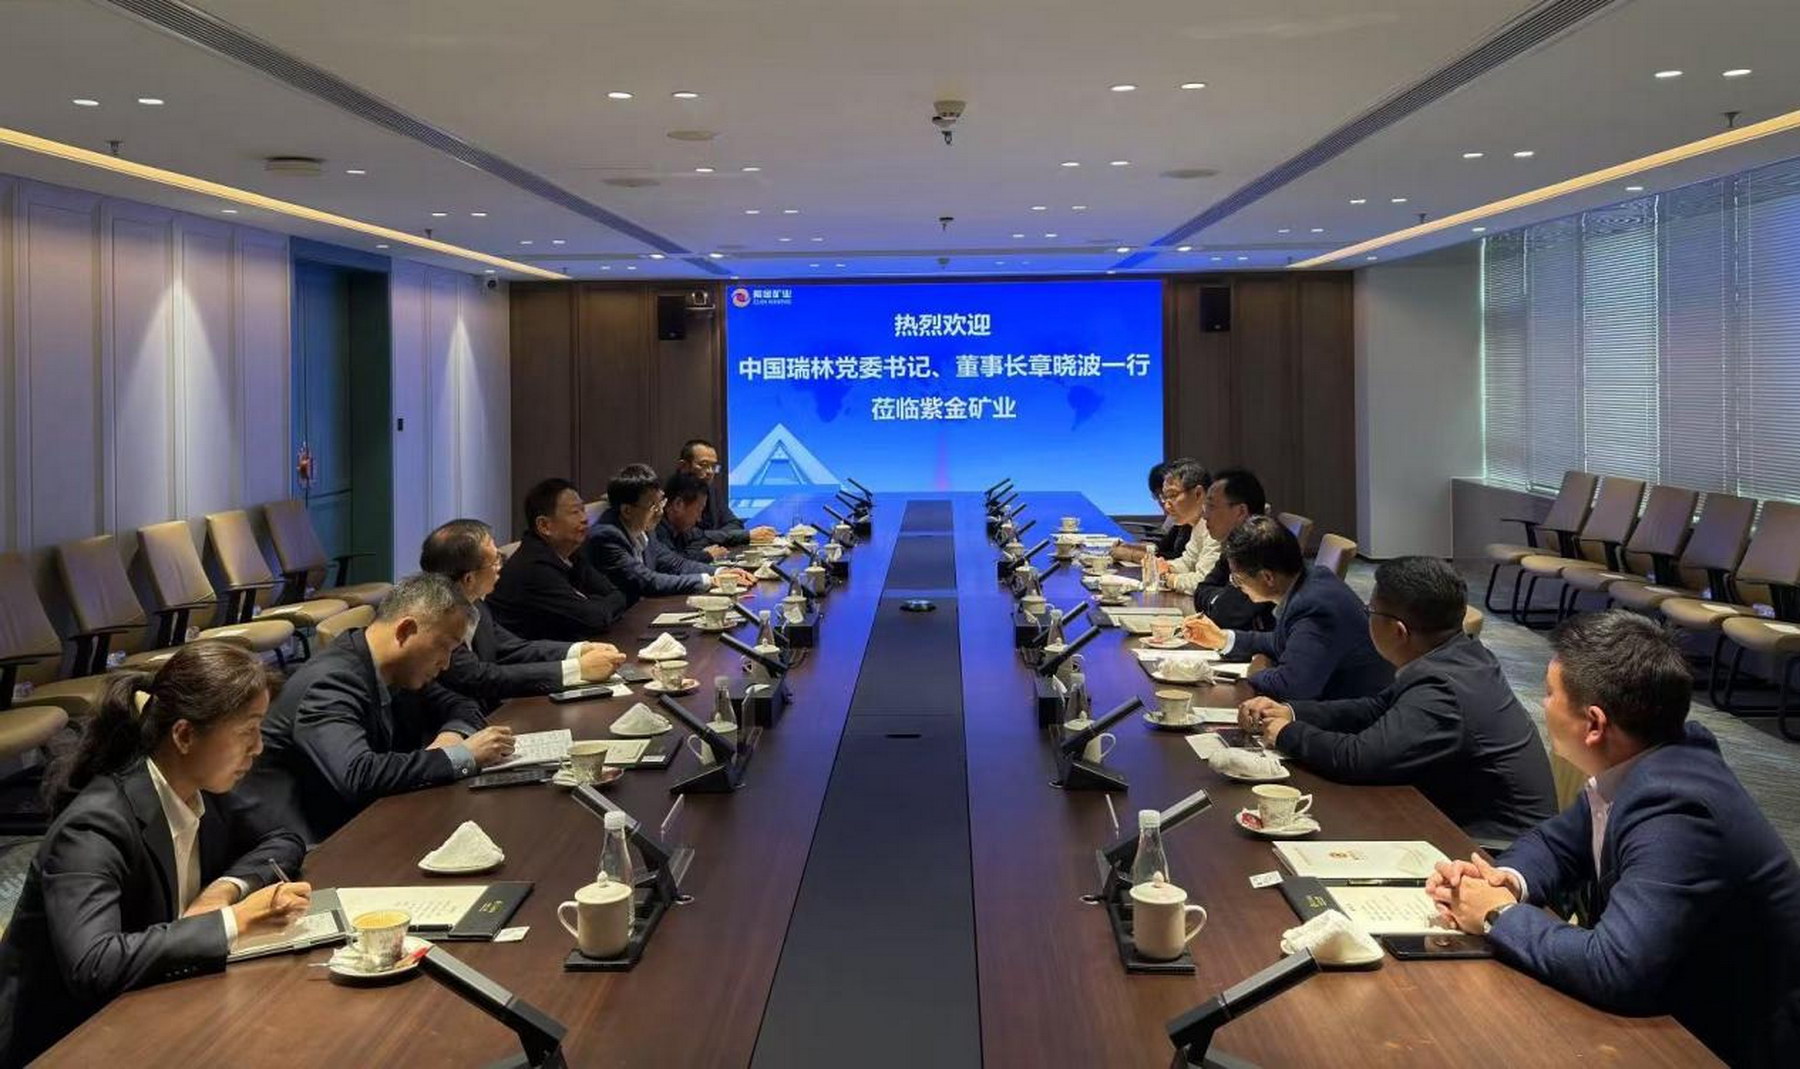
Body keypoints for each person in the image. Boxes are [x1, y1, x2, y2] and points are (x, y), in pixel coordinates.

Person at [1426, 610, 1800, 1067]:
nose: (1543, 704)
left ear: (1595, 724)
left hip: (1724, 1042)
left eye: (1550, 693)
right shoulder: (1648, 757)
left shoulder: (1676, 809)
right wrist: (1504, 881)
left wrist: (1496, 914)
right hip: (1671, 1005)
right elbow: (1555, 844)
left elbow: (1617, 967)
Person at [0, 643, 310, 1067]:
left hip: (149, 1002)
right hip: (65, 1040)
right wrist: (234, 921)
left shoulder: (201, 784)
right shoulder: (93, 826)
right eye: (247, 731)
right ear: (184, 735)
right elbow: (93, 964)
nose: (257, 748)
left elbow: (282, 838)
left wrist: (224, 890)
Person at [1237, 557, 1555, 844]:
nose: (1367, 617)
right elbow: (1376, 708)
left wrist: (1286, 733)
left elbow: (1359, 759)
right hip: (1454, 819)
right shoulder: (1459, 655)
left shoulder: (1442, 689)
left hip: (1489, 850)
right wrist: (1291, 712)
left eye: (1370, 611)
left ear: (1398, 631)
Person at [240, 573, 515, 844]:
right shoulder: (330, 682)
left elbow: (462, 704)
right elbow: (358, 775)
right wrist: (461, 755)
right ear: (405, 631)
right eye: (445, 647)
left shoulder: (400, 668)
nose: (445, 663)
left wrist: (451, 737)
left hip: (360, 819)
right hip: (304, 841)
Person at [420, 518, 627, 710]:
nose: (501, 566)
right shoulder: (435, 620)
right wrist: (577, 669)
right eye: (495, 560)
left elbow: (511, 648)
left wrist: (580, 650)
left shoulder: (475, 604)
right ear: (469, 579)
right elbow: (477, 677)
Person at [1185, 516, 1391, 701]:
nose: (1237, 586)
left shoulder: (1314, 607)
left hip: (1352, 718)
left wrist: (1254, 673)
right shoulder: (1308, 581)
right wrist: (1223, 639)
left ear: (1267, 577)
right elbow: (1279, 641)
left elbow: (1292, 687)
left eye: (1238, 579)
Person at [488, 477, 631, 642]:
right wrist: (596, 605)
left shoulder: (570, 552)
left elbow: (618, 595)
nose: (584, 518)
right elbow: (593, 620)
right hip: (530, 654)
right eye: (575, 512)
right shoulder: (533, 567)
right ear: (544, 526)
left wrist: (594, 605)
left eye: (583, 510)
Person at [586, 466, 755, 601]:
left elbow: (675, 563)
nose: (660, 512)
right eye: (653, 506)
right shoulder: (607, 537)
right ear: (627, 511)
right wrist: (708, 581)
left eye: (660, 502)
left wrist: (721, 572)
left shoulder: (644, 528)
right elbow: (648, 581)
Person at [1190, 468, 1274, 633]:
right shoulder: (1234, 544)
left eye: (1211, 506)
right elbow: (1201, 590)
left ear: (1241, 511)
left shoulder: (1260, 549)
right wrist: (1219, 599)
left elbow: (1226, 615)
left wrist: (1217, 600)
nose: (1205, 516)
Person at [675, 438, 777, 552]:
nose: (710, 472)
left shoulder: (711, 490)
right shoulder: (674, 495)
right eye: (703, 465)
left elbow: (734, 523)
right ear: (683, 466)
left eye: (713, 466)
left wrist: (715, 536)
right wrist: (738, 536)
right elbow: (691, 536)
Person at [1151, 460, 1221, 595]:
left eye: (1172, 495)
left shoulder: (1217, 523)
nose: (1167, 505)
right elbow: (1188, 562)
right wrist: (1165, 566)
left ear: (1198, 493)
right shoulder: (1198, 522)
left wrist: (1167, 578)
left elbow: (1204, 581)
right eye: (1164, 497)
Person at [1112, 460, 1190, 564]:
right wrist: (1129, 546)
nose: (1166, 504)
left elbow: (1176, 558)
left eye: (1172, 495)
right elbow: (1161, 548)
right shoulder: (1181, 521)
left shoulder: (1194, 522)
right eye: (1161, 497)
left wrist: (1130, 554)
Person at [655, 471, 724, 565]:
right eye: (699, 510)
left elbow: (702, 538)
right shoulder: (656, 530)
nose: (699, 518)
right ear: (678, 504)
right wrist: (705, 556)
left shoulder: (679, 528)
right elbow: (672, 564)